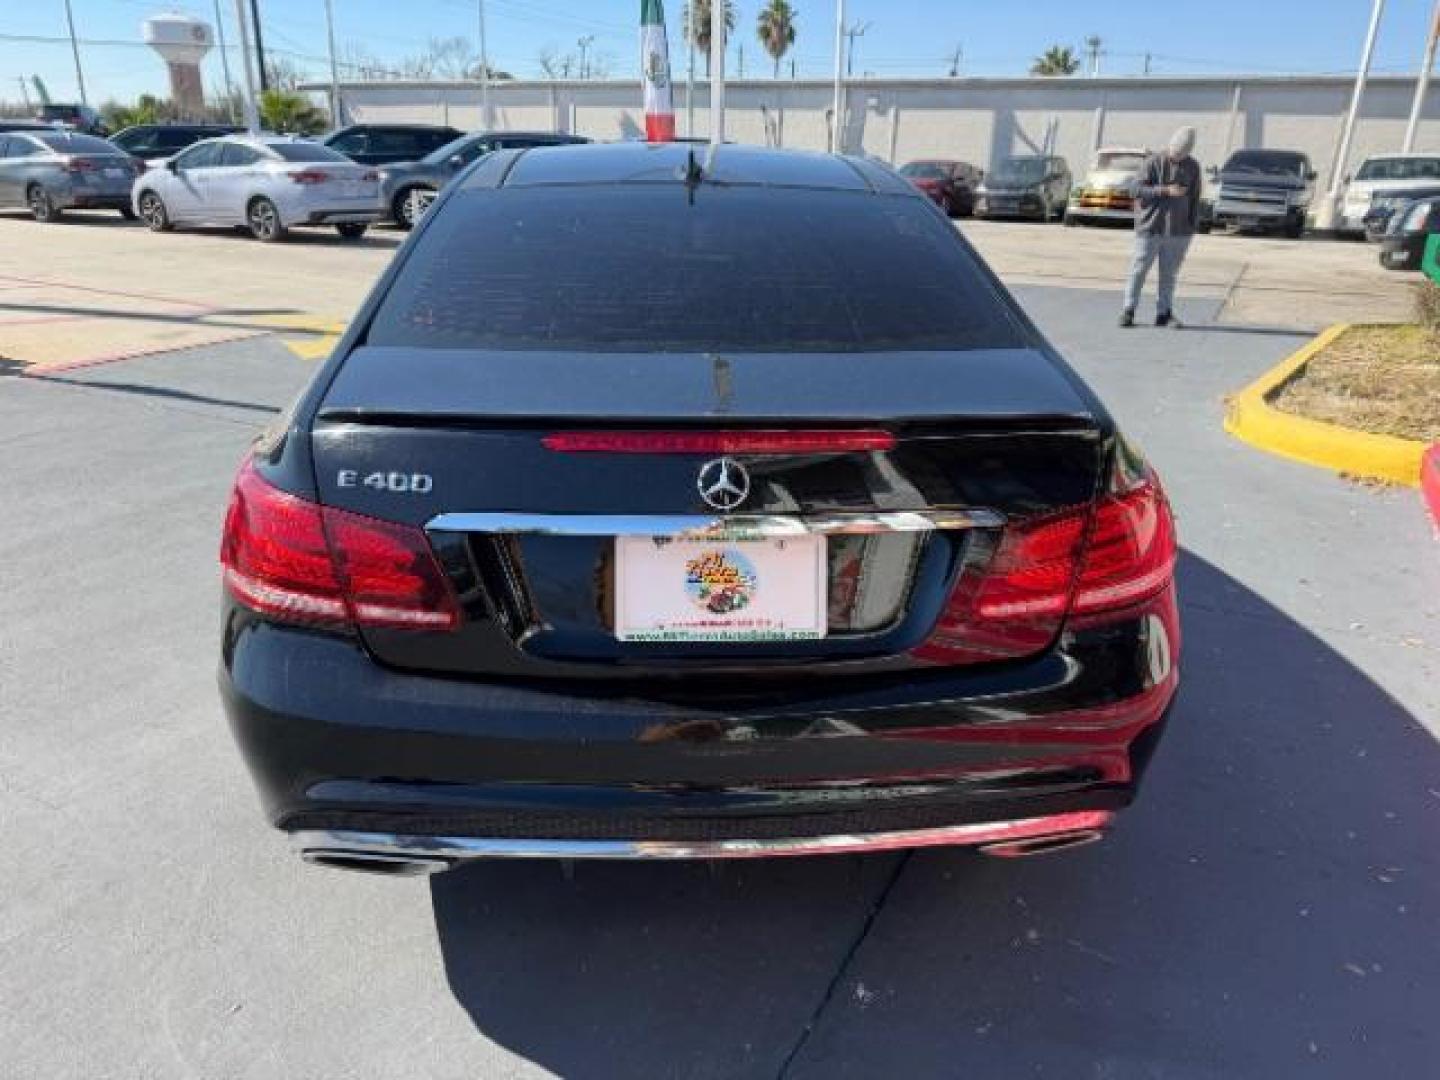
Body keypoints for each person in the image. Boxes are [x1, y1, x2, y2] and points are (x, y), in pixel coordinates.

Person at [1122, 127, 1202, 328]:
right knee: (1138, 270)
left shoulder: (1193, 167)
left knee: (1169, 275)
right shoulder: (1152, 162)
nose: (1177, 158)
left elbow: (1195, 197)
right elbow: (1134, 190)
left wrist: (1191, 226)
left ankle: (1164, 313)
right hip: (1150, 227)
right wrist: (1164, 190)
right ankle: (1128, 310)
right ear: (1170, 146)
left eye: (1182, 155)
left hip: (1178, 231)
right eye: (1175, 153)